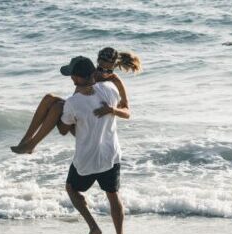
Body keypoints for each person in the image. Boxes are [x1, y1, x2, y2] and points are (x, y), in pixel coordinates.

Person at [56, 56, 130, 234]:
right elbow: (124, 107)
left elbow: (64, 129)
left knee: (71, 188)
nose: (71, 78)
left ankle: (93, 227)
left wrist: (56, 114)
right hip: (110, 155)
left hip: (86, 159)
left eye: (72, 75)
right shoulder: (110, 91)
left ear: (76, 78)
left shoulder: (72, 103)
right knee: (113, 196)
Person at [11, 47, 141, 154]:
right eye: (100, 68)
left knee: (57, 107)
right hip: (80, 114)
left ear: (114, 67)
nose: (103, 73)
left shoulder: (116, 82)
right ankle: (26, 140)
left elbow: (127, 112)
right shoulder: (91, 74)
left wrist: (112, 110)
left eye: (108, 70)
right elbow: (76, 98)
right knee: (48, 98)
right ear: (97, 64)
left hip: (90, 127)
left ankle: (32, 144)